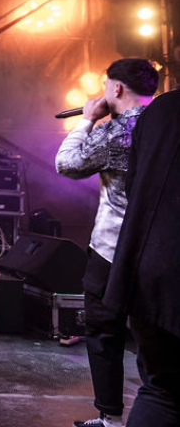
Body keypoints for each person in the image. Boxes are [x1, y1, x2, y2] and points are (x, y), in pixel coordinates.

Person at [56, 58, 159, 427]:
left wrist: (87, 118)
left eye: (105, 86)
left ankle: (110, 418)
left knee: (103, 330)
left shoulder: (116, 131)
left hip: (111, 248)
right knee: (155, 335)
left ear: (115, 89)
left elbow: (67, 164)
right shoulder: (166, 128)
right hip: (157, 249)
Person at [103, 86, 180, 427]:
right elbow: (67, 164)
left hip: (146, 271)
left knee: (161, 390)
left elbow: (133, 188)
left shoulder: (162, 109)